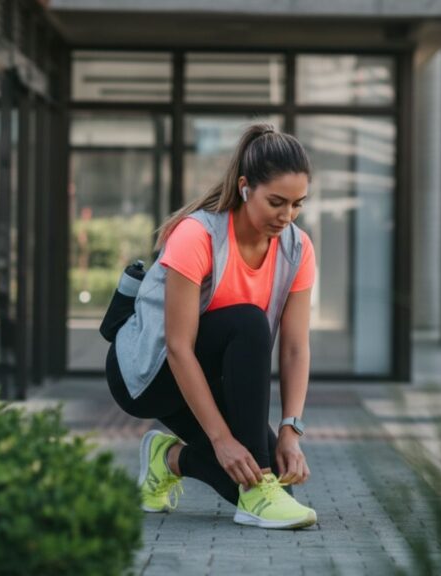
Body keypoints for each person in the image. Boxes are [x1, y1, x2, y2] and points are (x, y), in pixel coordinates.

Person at [105, 123, 318, 530]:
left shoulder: (297, 248)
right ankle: (256, 492)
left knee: (270, 484)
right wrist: (222, 441)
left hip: (206, 372)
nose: (286, 216)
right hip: (148, 374)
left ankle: (167, 459)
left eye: (297, 205)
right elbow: (179, 345)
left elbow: (294, 348)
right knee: (250, 323)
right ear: (244, 187)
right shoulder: (197, 235)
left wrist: (291, 430)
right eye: (276, 201)